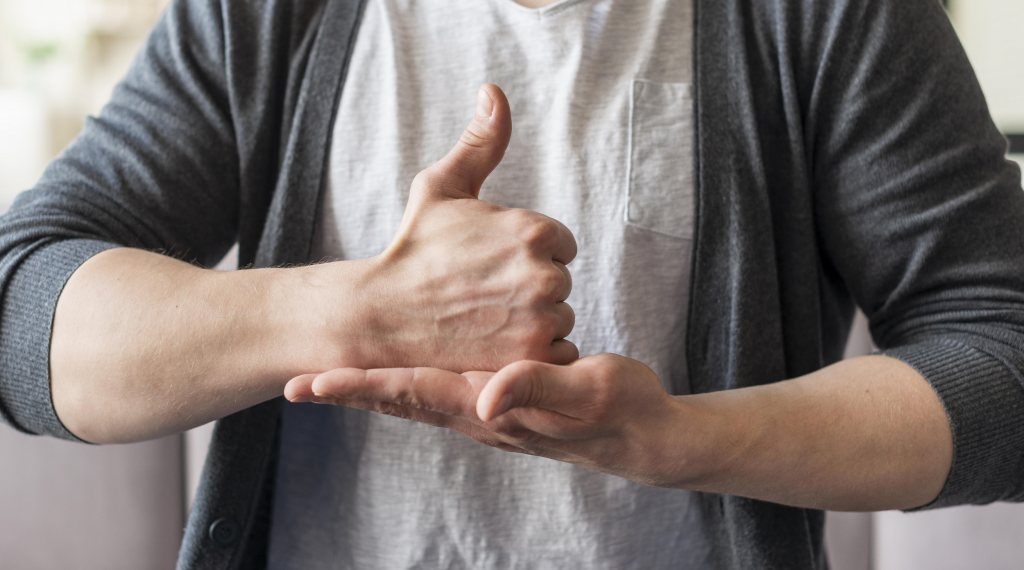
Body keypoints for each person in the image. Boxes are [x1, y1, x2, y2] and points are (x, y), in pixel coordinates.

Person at [1, 0, 1023, 567]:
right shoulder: (261, 20)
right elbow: (22, 313)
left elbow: (1002, 361)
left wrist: (677, 441)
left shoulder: (833, 19)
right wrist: (362, 314)